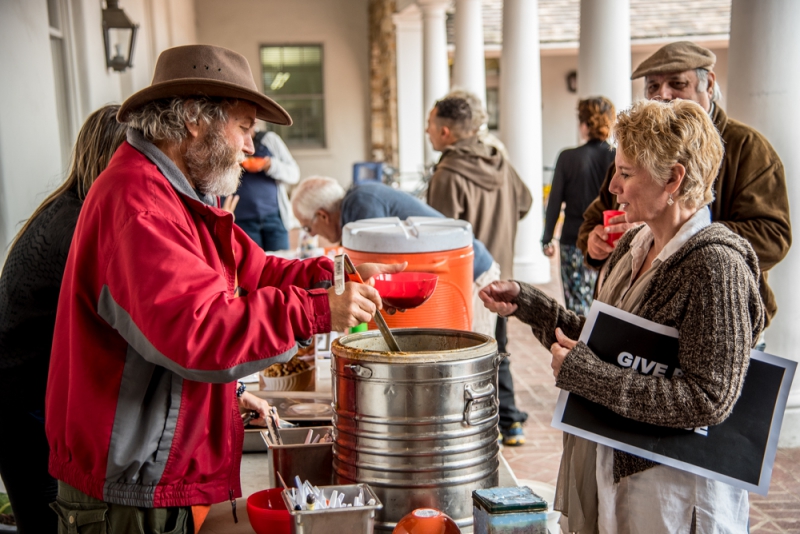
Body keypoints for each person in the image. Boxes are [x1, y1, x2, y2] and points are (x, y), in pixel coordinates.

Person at [45, 44, 400, 534]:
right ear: (195, 120)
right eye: (245, 125)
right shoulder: (139, 203)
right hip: (128, 493)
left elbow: (254, 272)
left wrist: (331, 275)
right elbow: (202, 334)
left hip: (148, 475)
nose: (251, 146)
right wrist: (317, 313)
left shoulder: (177, 194)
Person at [481, 99, 764, 533]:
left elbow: (709, 399)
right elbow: (612, 343)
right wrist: (531, 305)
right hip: (621, 469)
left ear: (674, 178)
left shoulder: (715, 267)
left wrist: (586, 375)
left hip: (674, 495)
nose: (612, 186)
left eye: (626, 173)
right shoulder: (635, 245)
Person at [577, 41, 791, 337]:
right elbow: (598, 213)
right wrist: (593, 242)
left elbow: (773, 236)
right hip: (639, 321)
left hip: (721, 322)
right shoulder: (636, 147)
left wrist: (673, 234)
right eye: (653, 87)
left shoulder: (748, 147)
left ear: (709, 84)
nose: (663, 94)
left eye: (677, 83)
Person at [0, 105, 126, 534]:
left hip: (25, 398)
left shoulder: (68, 207)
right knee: (51, 525)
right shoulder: (78, 225)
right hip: (23, 407)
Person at [426, 96, 532, 446]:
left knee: (468, 357)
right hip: (502, 274)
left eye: (429, 125)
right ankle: (511, 421)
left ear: (444, 131)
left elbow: (437, 237)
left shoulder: (447, 174)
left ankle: (477, 433)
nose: (427, 132)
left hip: (467, 280)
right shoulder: (500, 162)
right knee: (498, 346)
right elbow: (526, 201)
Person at [290, 176, 500, 336]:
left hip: (472, 277)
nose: (312, 234)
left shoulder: (361, 206)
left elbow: (381, 271)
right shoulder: (357, 203)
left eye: (308, 227)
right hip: (453, 274)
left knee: (478, 362)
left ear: (323, 215)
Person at [542, 97, 616, 315]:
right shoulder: (618, 156)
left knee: (576, 307)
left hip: (573, 239)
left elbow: (554, 202)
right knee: (606, 302)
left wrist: (547, 238)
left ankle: (577, 346)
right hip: (608, 239)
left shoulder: (568, 157)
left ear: (584, 124)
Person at [229, 127, 300, 251]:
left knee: (281, 263)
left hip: (274, 217)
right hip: (242, 220)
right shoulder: (227, 141)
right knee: (252, 266)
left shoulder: (269, 140)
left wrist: (270, 165)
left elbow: (294, 174)